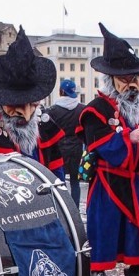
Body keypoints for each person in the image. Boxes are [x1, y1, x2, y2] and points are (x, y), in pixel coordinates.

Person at [78, 22, 139, 276]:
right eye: (126, 79)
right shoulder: (96, 109)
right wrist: (127, 139)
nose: (133, 84)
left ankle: (138, 267)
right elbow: (98, 144)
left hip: (137, 177)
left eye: (136, 78)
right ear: (112, 80)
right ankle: (98, 269)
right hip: (108, 178)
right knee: (105, 223)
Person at [0, 27, 65, 179]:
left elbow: (57, 176)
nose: (27, 114)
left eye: (33, 104)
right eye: (17, 105)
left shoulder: (46, 124)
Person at [46, 78, 86, 208]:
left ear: (61, 91)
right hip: (76, 148)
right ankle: (75, 208)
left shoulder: (52, 110)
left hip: (59, 148)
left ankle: (62, 207)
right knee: (75, 181)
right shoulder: (81, 109)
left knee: (59, 181)